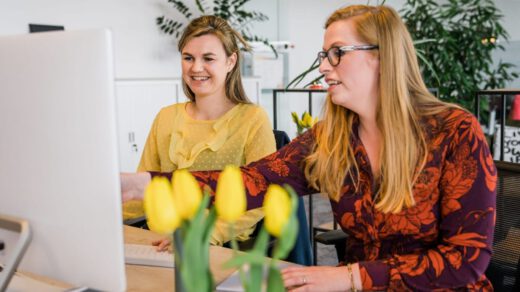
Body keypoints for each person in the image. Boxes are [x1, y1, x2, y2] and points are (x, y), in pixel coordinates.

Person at [122, 5, 497, 291]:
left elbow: (468, 258)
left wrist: (348, 277)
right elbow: (254, 181)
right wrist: (147, 184)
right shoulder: (331, 138)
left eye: (336, 53)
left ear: (381, 57)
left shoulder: (454, 132)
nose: (324, 67)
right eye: (323, 56)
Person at [122, 15, 276, 247]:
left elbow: (261, 196)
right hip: (158, 241)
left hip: (220, 244)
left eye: (208, 58)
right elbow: (143, 187)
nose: (196, 68)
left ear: (231, 61)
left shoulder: (252, 119)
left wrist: (206, 236)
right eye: (188, 58)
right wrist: (105, 219)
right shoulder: (166, 116)